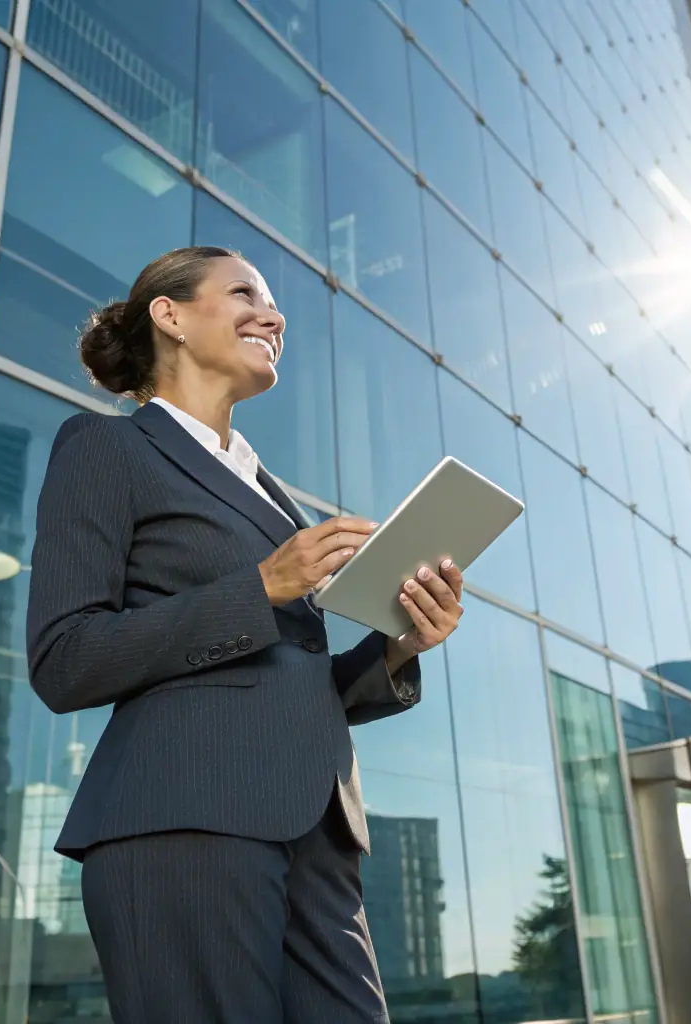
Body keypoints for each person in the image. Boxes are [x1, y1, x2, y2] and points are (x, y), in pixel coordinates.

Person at [25, 246, 464, 1023]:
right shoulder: (108, 449)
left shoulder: (271, 492)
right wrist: (260, 588)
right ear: (171, 317)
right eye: (242, 293)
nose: (273, 314)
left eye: (271, 301)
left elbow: (288, 671)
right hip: (183, 820)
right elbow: (65, 660)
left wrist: (398, 647)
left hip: (316, 830)